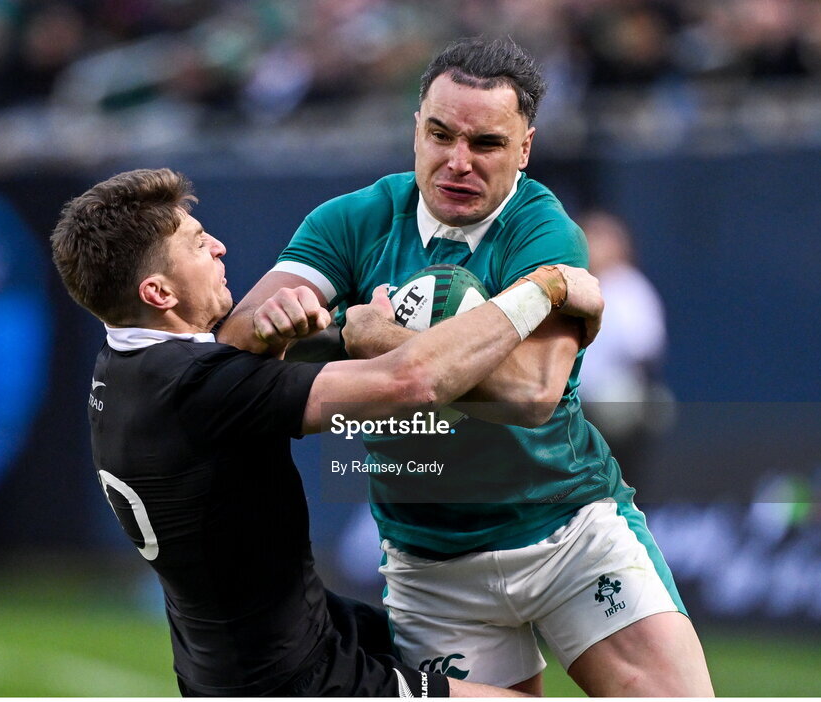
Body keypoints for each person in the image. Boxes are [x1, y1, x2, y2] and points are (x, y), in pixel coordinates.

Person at [219, 38, 713, 696]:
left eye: (485, 144)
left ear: (524, 149)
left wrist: (375, 338)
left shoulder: (545, 233)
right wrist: (326, 331)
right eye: (440, 134)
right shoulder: (353, 221)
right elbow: (237, 338)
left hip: (567, 532)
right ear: (415, 130)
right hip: (431, 566)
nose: (457, 162)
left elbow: (532, 390)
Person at [49, 168, 603, 697]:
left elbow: (230, 398)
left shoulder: (121, 367)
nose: (218, 247)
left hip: (251, 655)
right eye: (196, 244)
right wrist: (544, 288)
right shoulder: (200, 387)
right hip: (297, 679)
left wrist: (295, 341)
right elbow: (412, 382)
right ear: (158, 294)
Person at [576, 209, 671, 497]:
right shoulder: (571, 285)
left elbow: (644, 353)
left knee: (617, 397)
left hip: (613, 402)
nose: (592, 244)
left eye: (600, 238)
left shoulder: (627, 288)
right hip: (573, 400)